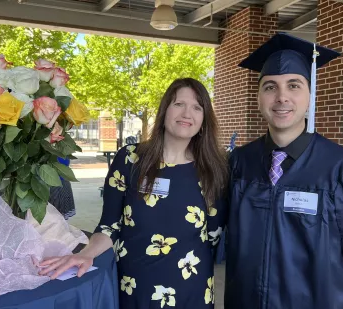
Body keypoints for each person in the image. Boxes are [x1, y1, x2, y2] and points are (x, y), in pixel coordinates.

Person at [224, 32, 343, 309]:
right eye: (270, 87)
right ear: (258, 97)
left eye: (294, 85)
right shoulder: (239, 163)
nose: (281, 97)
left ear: (310, 95)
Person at [40, 78, 228, 308]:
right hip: (134, 286)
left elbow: (212, 236)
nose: (187, 113)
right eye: (179, 104)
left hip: (192, 290)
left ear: (204, 119)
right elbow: (110, 226)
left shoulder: (213, 170)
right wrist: (86, 253)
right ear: (165, 109)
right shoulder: (129, 159)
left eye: (197, 107)